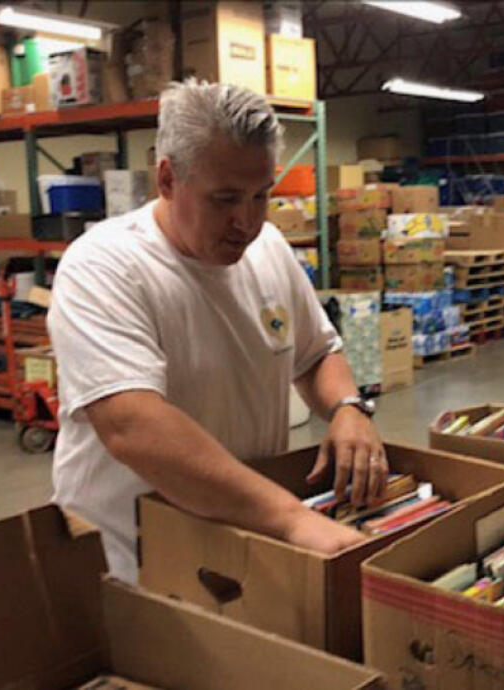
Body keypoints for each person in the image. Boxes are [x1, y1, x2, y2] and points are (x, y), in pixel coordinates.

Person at [47, 80, 385, 582]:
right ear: (167, 178)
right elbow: (132, 425)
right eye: (225, 199)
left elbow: (316, 354)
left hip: (239, 540)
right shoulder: (104, 267)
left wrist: (347, 409)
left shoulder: (268, 248)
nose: (245, 221)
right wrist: (292, 519)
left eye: (260, 196)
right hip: (131, 565)